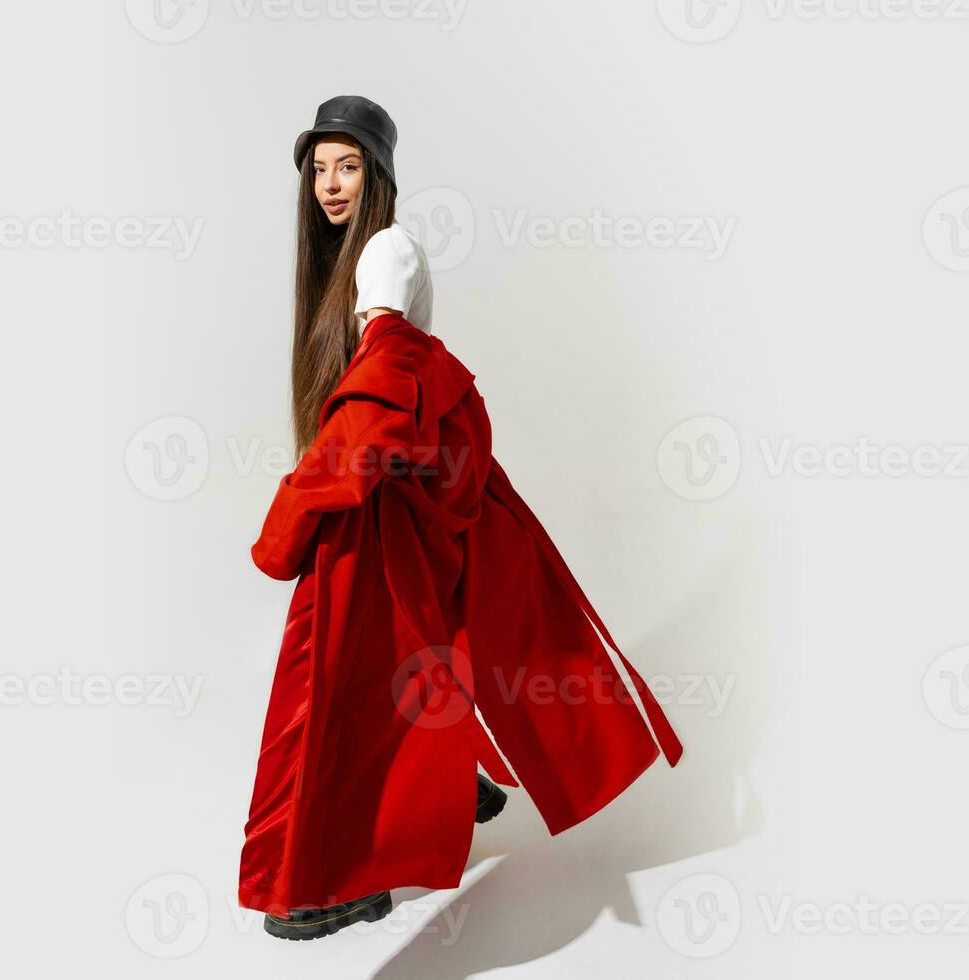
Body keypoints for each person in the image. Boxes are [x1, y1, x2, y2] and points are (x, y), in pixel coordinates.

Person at [240, 95, 683, 941]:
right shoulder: (348, 261)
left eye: (350, 166)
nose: (332, 185)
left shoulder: (385, 255)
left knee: (345, 683)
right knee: (423, 653)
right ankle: (460, 783)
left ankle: (354, 874)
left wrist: (293, 514)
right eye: (320, 169)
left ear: (380, 176)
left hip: (392, 505)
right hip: (405, 498)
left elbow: (378, 393)